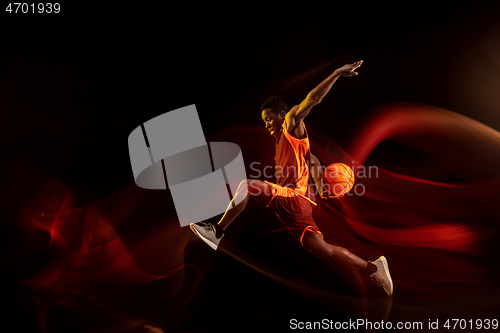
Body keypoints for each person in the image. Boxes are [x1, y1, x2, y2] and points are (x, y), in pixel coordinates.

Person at [190, 60, 393, 296]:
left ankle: (216, 231)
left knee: (246, 186)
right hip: (301, 205)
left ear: (282, 115)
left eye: (268, 118)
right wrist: (323, 186)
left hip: (294, 198)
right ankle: (373, 267)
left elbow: (313, 99)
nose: (266, 124)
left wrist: (336, 74)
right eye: (264, 120)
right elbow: (314, 162)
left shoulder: (291, 124)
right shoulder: (288, 144)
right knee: (322, 250)